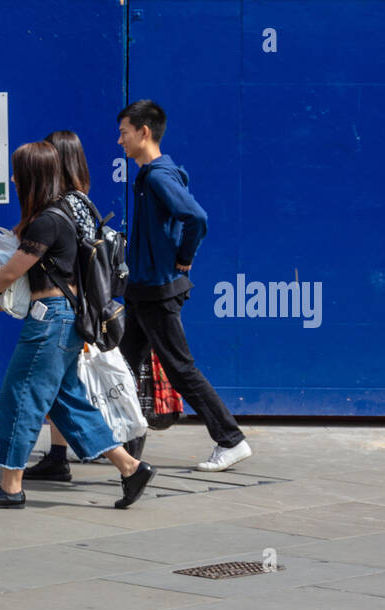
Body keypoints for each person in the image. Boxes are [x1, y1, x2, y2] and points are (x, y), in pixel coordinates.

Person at [0, 141, 155, 510]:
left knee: (21, 395)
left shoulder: (47, 220)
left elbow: (13, 271)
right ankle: (130, 467)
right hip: (64, 320)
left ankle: (11, 486)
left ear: (33, 176)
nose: (12, 178)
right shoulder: (63, 214)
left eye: (17, 171)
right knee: (67, 402)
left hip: (50, 323)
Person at [116, 99, 251, 472]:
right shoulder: (152, 175)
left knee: (180, 369)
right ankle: (129, 449)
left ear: (144, 132)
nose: (119, 140)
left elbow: (196, 218)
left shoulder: (159, 176)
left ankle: (231, 439)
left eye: (124, 132)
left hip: (157, 289)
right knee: (126, 368)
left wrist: (184, 257)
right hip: (142, 290)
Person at [26, 129, 112, 482]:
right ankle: (60, 455)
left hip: (62, 306)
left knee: (41, 387)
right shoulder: (82, 200)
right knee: (62, 386)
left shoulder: (65, 204)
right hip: (78, 304)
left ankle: (116, 457)